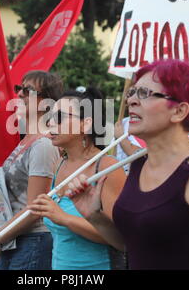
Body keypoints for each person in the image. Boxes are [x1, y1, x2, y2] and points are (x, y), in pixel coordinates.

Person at [65, 59, 189, 270]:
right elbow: (135, 246)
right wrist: (94, 216)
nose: (131, 101)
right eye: (132, 93)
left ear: (179, 111)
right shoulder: (137, 164)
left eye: (144, 94)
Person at [28, 87, 127, 270]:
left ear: (85, 124)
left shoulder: (106, 167)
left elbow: (120, 238)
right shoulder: (59, 164)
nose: (50, 122)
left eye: (59, 117)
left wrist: (64, 217)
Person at [0, 70, 63, 270]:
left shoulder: (44, 145)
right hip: (16, 239)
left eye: (28, 90)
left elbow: (36, 208)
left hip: (33, 241)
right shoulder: (26, 141)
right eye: (19, 88)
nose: (19, 94)